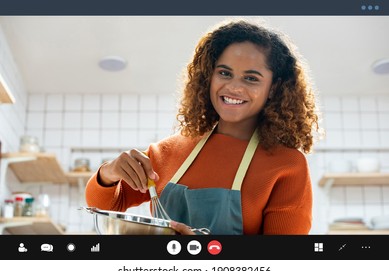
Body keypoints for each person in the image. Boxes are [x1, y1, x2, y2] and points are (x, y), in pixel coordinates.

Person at [85, 18, 322, 235]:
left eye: (251, 78)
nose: (234, 88)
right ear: (210, 77)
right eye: (224, 73)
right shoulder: (167, 152)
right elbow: (104, 205)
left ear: (273, 88)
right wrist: (109, 173)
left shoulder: (287, 166)